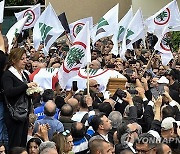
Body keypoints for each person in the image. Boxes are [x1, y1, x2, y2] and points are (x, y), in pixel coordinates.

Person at [1, 48, 37, 149]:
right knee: (15, 144)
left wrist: (34, 92)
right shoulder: (8, 75)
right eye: (22, 59)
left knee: (22, 143)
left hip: (24, 113)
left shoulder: (25, 74)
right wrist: (26, 86)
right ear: (14, 60)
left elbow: (25, 92)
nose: (25, 61)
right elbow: (9, 92)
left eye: (26, 58)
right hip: (14, 115)